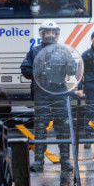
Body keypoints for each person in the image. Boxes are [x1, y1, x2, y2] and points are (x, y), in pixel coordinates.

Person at [20, 20, 75, 172]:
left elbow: (72, 70)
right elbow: (24, 68)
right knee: (40, 127)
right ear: (42, 34)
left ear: (56, 34)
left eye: (52, 32)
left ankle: (65, 161)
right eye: (47, 32)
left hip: (59, 92)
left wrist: (70, 66)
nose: (50, 35)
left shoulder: (63, 51)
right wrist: (38, 73)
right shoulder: (34, 51)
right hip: (41, 93)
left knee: (63, 126)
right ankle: (39, 162)